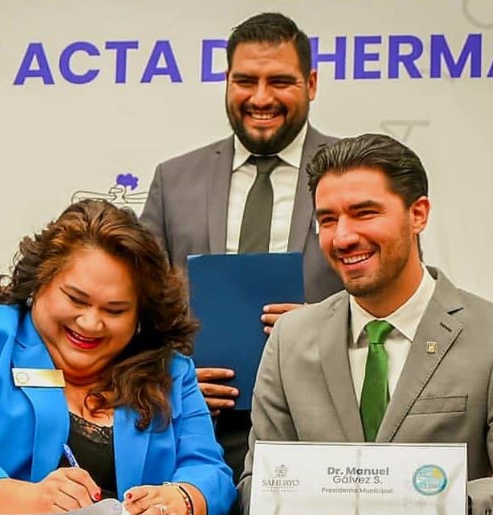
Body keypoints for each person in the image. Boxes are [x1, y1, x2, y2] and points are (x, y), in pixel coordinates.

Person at [240, 133, 493, 514]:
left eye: (365, 213)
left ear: (418, 214)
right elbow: (258, 485)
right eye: (328, 220)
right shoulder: (289, 340)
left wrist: (431, 503)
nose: (344, 237)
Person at [0, 200, 236, 515]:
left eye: (115, 310)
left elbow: (210, 471)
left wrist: (183, 498)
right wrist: (27, 500)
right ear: (39, 281)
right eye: (75, 299)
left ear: (139, 317)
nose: (90, 323)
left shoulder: (171, 370)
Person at [140, 12, 343, 483]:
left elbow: (393, 290)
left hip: (323, 428)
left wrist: (326, 325)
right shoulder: (175, 179)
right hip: (198, 432)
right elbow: (137, 305)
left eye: (280, 81)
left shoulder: (354, 173)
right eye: (245, 80)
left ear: (311, 83)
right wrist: (175, 382)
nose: (261, 98)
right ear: (226, 81)